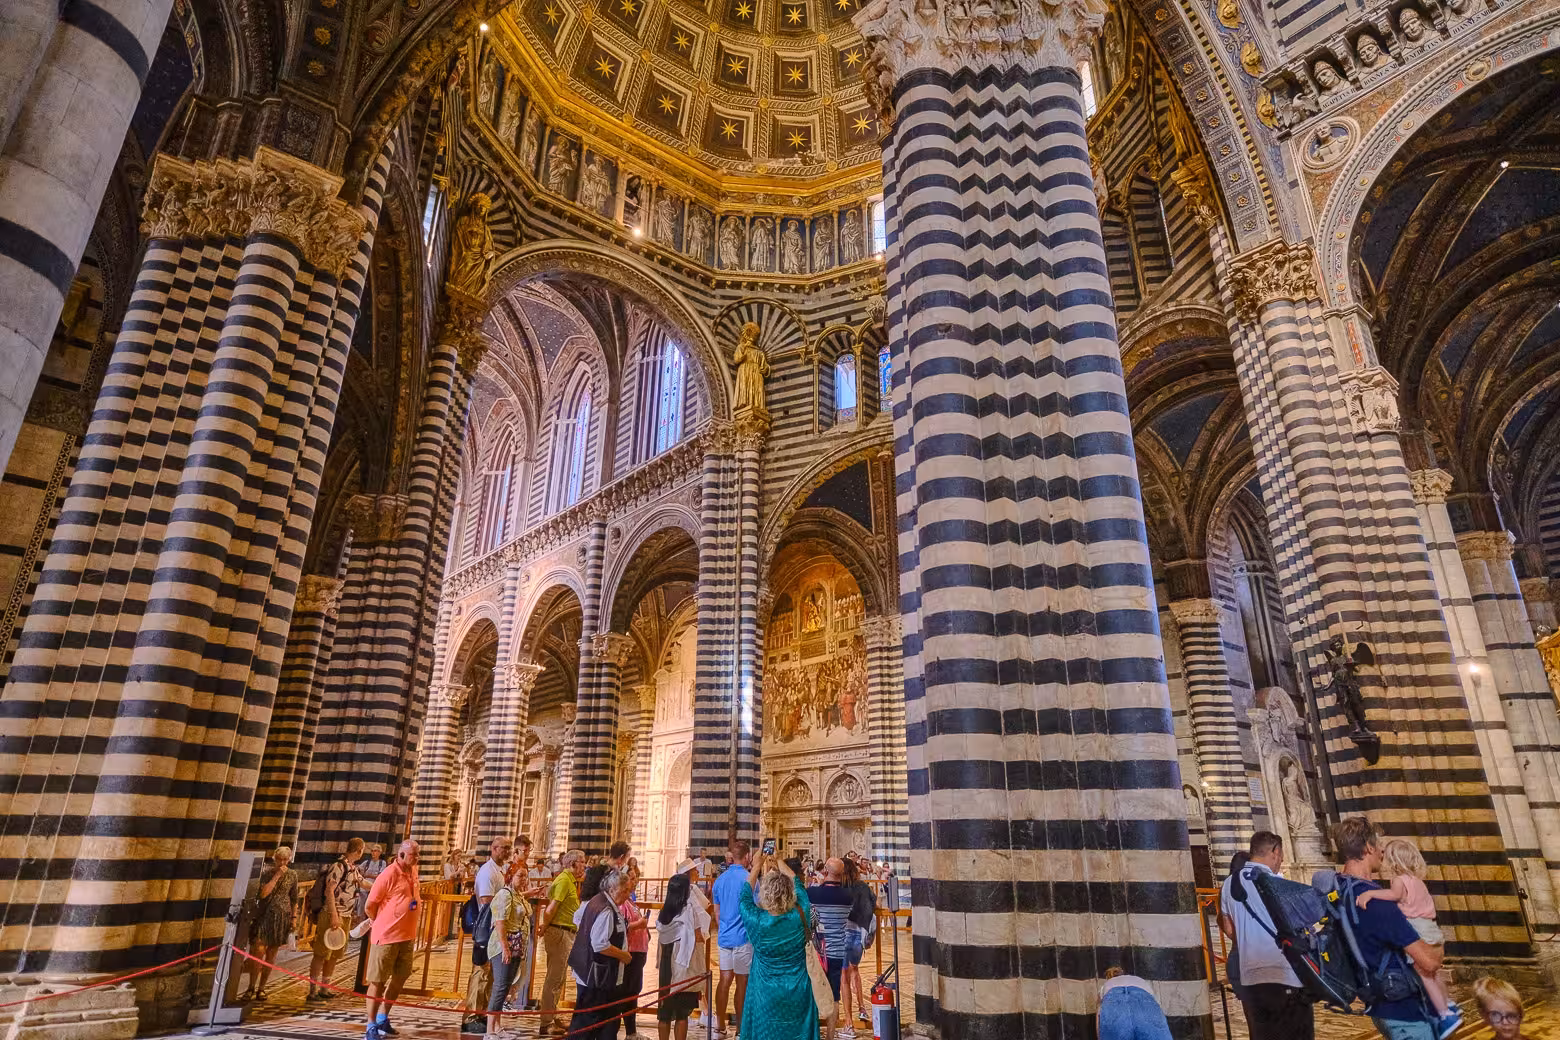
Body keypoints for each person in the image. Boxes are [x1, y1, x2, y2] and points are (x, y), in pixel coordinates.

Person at [1334, 818, 1443, 1040]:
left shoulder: (1339, 893)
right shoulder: (1377, 903)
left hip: (1377, 1004)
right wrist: (1438, 941)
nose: (1382, 849)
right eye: (1378, 843)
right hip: (1405, 1014)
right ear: (1368, 847)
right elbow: (1430, 961)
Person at [1354, 838, 1459, 1037]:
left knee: (1424, 974)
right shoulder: (1418, 881)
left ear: (1393, 861)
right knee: (1435, 974)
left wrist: (1371, 894)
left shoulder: (1399, 880)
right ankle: (1448, 1005)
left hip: (1418, 929)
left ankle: (1445, 1014)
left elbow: (1394, 896)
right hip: (1432, 928)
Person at [1218, 832, 1312, 1040]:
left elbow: (1227, 926)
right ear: (1275, 852)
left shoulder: (1229, 884)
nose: (1281, 861)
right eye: (1281, 855)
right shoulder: (1276, 881)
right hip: (1285, 976)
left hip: (1251, 980)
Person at [737, 852, 818, 1040]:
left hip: (765, 993)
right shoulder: (800, 914)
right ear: (790, 894)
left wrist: (756, 866)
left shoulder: (757, 920)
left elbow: (744, 898)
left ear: (765, 893)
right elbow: (798, 884)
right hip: (798, 988)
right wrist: (780, 861)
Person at [566, 867, 634, 1040]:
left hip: (593, 974)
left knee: (601, 1022)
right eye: (624, 890)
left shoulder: (599, 900)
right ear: (612, 889)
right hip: (597, 977)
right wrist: (623, 955)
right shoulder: (605, 909)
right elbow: (599, 944)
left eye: (629, 890)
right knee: (590, 1022)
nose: (627, 894)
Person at [364, 841, 422, 1040]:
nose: (417, 858)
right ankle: (370, 1025)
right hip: (387, 936)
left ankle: (382, 1017)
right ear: (401, 854)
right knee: (378, 980)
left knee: (400, 977)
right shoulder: (389, 874)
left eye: (418, 854)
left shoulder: (413, 871)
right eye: (414, 855)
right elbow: (370, 904)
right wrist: (378, 921)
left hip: (407, 936)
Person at [308, 837, 366, 1001]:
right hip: (332, 914)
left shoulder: (352, 868)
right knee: (321, 952)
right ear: (359, 850)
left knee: (335, 953)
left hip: (345, 915)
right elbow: (329, 891)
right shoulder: (338, 866)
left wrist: (385, 887)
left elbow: (363, 884)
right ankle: (312, 991)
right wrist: (334, 915)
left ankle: (324, 989)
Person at [655, 868, 710, 1040]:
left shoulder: (664, 913)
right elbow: (699, 936)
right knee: (682, 1014)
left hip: (666, 963)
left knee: (664, 1012)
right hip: (683, 964)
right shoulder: (688, 911)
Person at [241, 845, 299, 1002]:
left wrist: (294, 918)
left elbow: (294, 899)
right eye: (279, 859)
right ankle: (251, 987)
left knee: (272, 954)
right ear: (275, 859)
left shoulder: (293, 875)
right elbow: (263, 893)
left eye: (285, 860)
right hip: (264, 916)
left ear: (289, 860)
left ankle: (262, 988)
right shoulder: (266, 873)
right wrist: (276, 876)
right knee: (258, 952)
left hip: (281, 918)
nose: (282, 863)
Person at [806, 857, 855, 1039]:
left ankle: (812, 1033)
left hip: (817, 953)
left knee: (812, 993)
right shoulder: (848, 895)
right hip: (837, 952)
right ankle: (831, 1034)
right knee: (834, 995)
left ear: (824, 871)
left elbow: (811, 918)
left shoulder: (812, 893)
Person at [538, 849, 586, 1035]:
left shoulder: (569, 880)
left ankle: (552, 1014)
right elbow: (551, 909)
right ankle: (546, 1022)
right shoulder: (565, 880)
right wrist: (544, 926)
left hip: (565, 932)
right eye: (582, 862)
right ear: (573, 864)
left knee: (559, 979)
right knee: (554, 979)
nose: (584, 865)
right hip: (559, 933)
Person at [710, 841, 754, 1039]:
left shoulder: (720, 880)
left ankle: (719, 1026)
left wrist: (724, 929)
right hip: (743, 938)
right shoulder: (749, 879)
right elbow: (756, 908)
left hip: (724, 937)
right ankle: (740, 1029)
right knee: (742, 983)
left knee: (724, 980)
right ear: (746, 857)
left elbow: (716, 913)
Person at [486, 854, 531, 1035]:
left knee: (506, 986)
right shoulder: (504, 895)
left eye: (526, 876)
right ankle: (489, 1031)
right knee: (500, 986)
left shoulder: (517, 895)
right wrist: (505, 947)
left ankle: (498, 1027)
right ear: (510, 876)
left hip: (516, 947)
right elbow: (500, 922)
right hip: (502, 947)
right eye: (520, 875)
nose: (524, 879)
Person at [841, 858, 876, 1033]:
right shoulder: (863, 886)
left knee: (844, 976)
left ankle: (848, 1020)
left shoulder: (841, 888)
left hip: (845, 933)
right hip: (859, 936)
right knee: (855, 970)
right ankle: (862, 1009)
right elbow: (873, 901)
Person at [618, 858, 651, 1039]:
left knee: (633, 992)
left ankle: (632, 1032)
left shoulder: (630, 901)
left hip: (637, 952)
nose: (635, 880)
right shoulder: (622, 903)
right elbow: (621, 927)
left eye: (635, 877)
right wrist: (640, 924)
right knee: (628, 992)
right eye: (631, 878)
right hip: (629, 953)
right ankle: (628, 1032)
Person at [1097, 967, 1173, 1040]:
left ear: (1109, 977)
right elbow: (1156, 1007)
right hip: (1144, 1000)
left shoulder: (1105, 986)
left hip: (1114, 1003)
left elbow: (1098, 1016)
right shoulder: (1140, 981)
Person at [1222, 850, 1251, 1004]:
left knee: (1251, 1012)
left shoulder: (1226, 887)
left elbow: (1227, 929)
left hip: (1237, 955)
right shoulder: (1259, 884)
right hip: (1260, 956)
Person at [358, 844, 387, 918]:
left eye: (375, 851)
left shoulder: (382, 863)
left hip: (375, 886)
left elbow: (380, 876)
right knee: (361, 902)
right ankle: (360, 917)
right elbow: (359, 870)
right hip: (364, 886)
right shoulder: (367, 862)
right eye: (372, 851)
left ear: (379, 853)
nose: (373, 853)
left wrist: (367, 875)